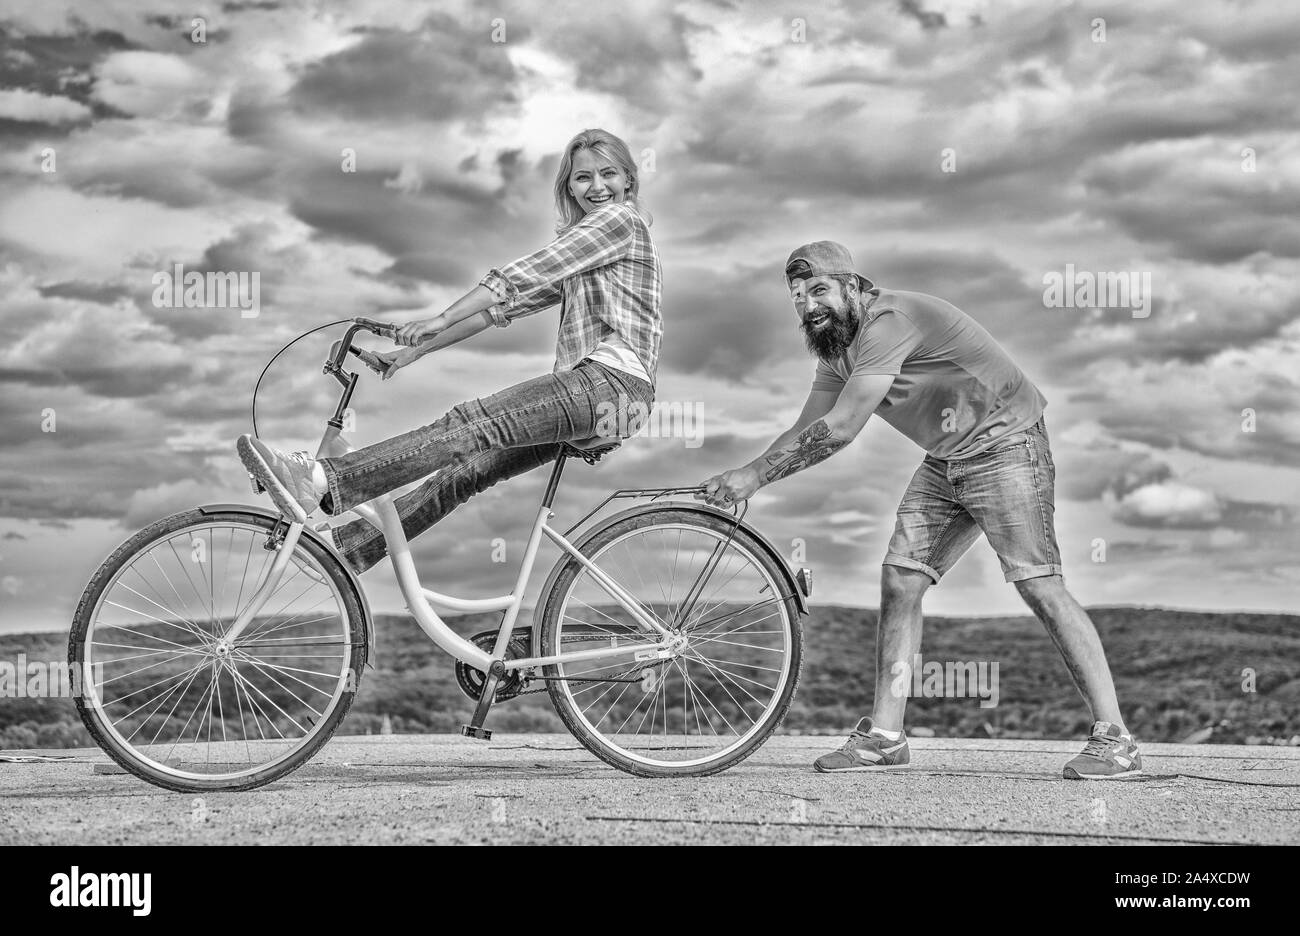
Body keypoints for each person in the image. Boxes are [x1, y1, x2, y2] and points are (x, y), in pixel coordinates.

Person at [696, 240, 1141, 780]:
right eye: (795, 296)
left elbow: (840, 428)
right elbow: (806, 426)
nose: (806, 304)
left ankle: (1115, 741)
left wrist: (753, 477)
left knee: (1038, 582)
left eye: (818, 290)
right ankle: (885, 737)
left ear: (853, 287)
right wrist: (749, 471)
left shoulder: (889, 321)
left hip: (1007, 444)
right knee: (901, 580)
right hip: (947, 458)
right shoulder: (836, 350)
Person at [238, 129, 660, 575]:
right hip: (614, 401)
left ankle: (321, 478)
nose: (596, 187)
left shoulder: (618, 222)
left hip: (608, 386)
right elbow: (501, 308)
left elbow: (524, 274)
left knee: (468, 424)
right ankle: (348, 551)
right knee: (463, 474)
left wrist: (440, 317)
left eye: (608, 174)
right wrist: (417, 351)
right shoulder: (593, 250)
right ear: (569, 187)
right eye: (582, 178)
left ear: (629, 181)